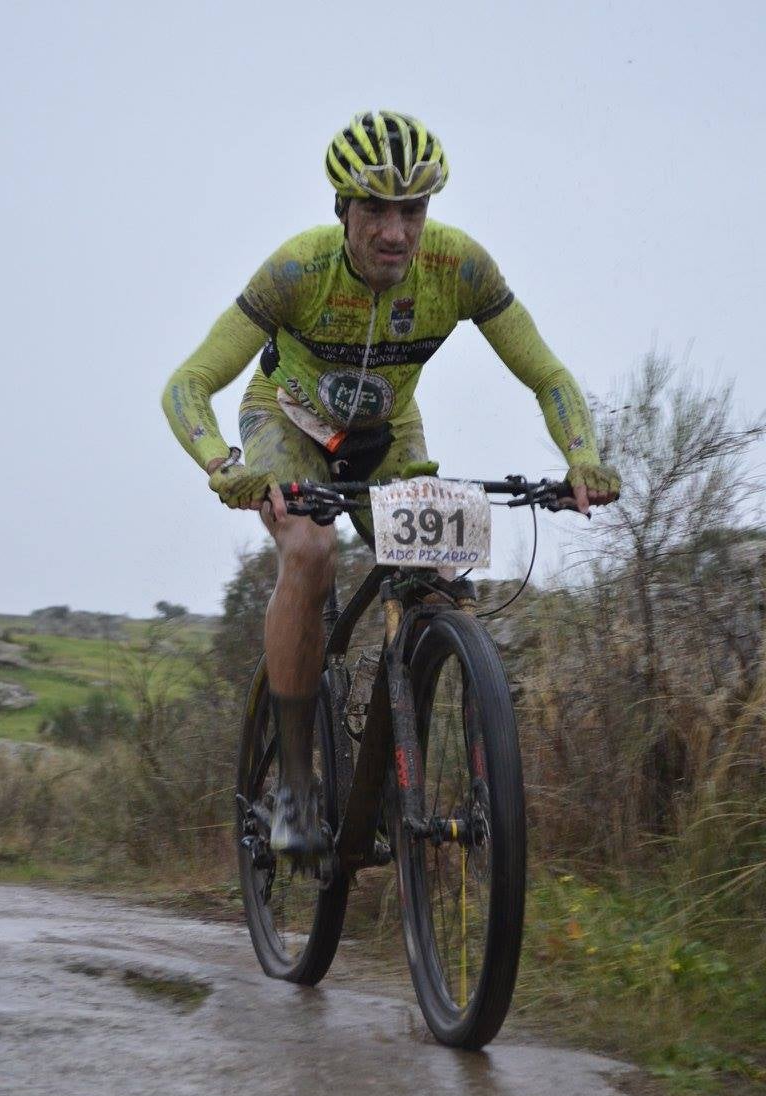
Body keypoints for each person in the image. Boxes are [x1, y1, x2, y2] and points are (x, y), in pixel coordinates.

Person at [162, 110, 620, 856]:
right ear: (342, 209)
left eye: (412, 210)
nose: (395, 232)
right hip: (287, 424)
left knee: (440, 578)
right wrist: (225, 466)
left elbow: (549, 374)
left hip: (388, 436)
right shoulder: (297, 270)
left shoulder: (460, 267)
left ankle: (394, 765)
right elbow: (188, 384)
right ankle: (299, 792)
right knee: (309, 553)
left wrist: (582, 455)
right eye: (375, 209)